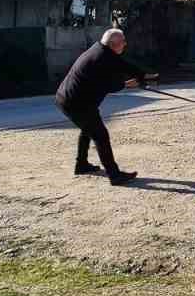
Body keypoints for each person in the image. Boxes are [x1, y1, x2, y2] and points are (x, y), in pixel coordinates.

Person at [55, 28, 148, 186]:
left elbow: (123, 65)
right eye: (122, 42)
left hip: (75, 100)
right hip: (75, 103)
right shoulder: (100, 58)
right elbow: (108, 85)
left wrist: (143, 76)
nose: (125, 44)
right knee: (100, 135)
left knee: (88, 129)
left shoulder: (103, 50)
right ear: (112, 44)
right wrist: (126, 84)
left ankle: (82, 165)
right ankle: (114, 175)